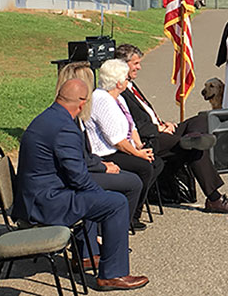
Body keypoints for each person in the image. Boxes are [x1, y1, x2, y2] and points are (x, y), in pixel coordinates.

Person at [12, 78, 148, 291]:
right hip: (45, 203)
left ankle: (87, 255)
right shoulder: (65, 128)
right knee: (116, 203)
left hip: (35, 196)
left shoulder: (47, 117)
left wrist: (95, 197)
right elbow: (79, 178)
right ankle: (112, 275)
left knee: (95, 198)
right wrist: (100, 198)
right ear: (82, 104)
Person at [115, 44, 228, 214]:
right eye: (136, 63)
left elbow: (146, 113)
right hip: (149, 138)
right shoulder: (119, 90)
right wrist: (158, 128)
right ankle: (215, 199)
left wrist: (163, 123)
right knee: (192, 148)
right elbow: (132, 124)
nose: (139, 67)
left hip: (159, 128)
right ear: (123, 64)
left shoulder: (131, 85)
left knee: (203, 118)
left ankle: (193, 135)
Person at [56, 61, 144, 231]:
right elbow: (76, 161)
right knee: (133, 183)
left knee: (137, 176)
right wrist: (102, 167)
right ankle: (109, 238)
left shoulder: (71, 115)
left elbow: (82, 155)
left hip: (84, 167)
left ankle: (107, 237)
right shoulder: (66, 121)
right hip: (69, 179)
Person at [85, 59, 164, 225]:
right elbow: (116, 140)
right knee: (144, 167)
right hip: (105, 153)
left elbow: (131, 126)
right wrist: (137, 154)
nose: (128, 82)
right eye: (127, 79)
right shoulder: (101, 99)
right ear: (119, 82)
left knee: (156, 162)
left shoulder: (118, 98)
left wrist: (140, 146)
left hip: (123, 148)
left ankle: (135, 209)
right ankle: (128, 216)